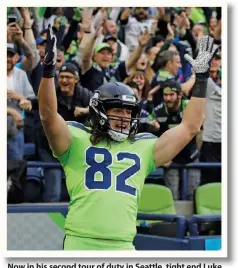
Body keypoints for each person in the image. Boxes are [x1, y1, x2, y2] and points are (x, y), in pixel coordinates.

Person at [38, 25, 217, 250]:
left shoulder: (142, 146)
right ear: (99, 110)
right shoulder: (76, 138)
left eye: (128, 112)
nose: (124, 117)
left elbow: (190, 127)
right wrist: (47, 74)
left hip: (124, 246)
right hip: (80, 243)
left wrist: (201, 79)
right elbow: (47, 115)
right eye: (117, 110)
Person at [152, 80, 201, 200]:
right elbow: (151, 137)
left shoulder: (189, 107)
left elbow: (200, 130)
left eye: (171, 95)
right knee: (172, 196)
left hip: (191, 157)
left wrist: (197, 150)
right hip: (171, 160)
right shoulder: (158, 111)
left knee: (192, 195)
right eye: (165, 95)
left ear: (179, 95)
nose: (168, 98)